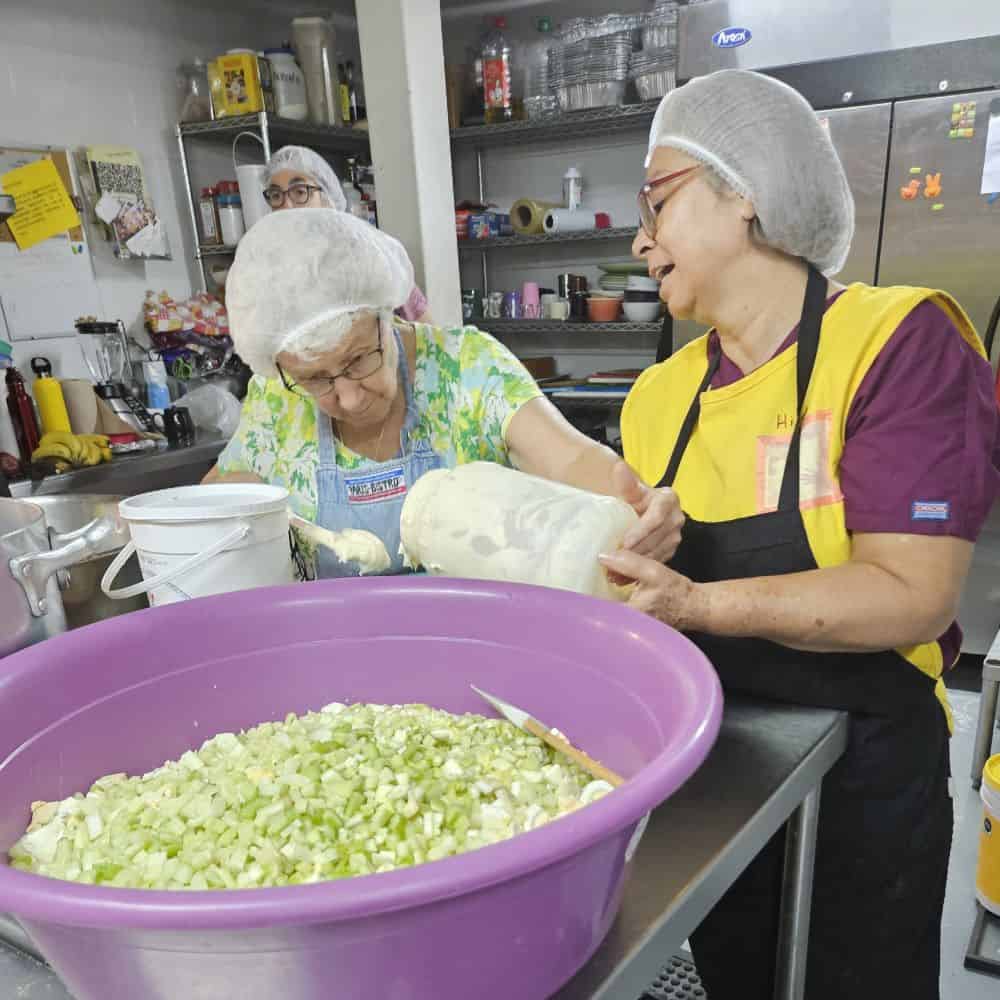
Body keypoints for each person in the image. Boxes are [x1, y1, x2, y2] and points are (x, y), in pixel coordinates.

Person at [599, 70, 1000, 1000]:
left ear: (744, 192)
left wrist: (696, 601)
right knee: (743, 973)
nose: (640, 237)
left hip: (862, 770)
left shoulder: (898, 342)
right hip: (720, 773)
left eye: (658, 200)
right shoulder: (661, 396)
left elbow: (911, 592)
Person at [205, 207, 683, 578]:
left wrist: (638, 506)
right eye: (317, 379)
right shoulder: (275, 402)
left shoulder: (466, 366)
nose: (349, 398)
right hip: (334, 665)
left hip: (481, 648)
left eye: (358, 359)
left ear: (385, 313)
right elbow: (212, 503)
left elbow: (569, 459)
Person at [262, 145, 431, 323]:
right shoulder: (274, 271)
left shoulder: (371, 257)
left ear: (327, 199)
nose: (286, 206)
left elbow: (430, 336)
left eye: (300, 192)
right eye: (275, 195)